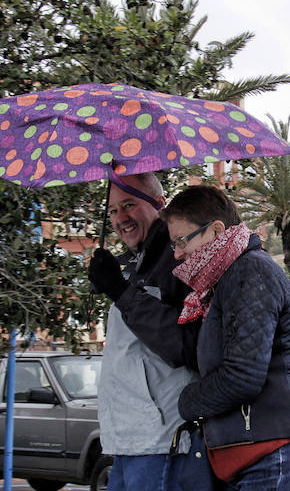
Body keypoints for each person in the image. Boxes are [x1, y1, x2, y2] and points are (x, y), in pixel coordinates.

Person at [159, 184, 290, 490]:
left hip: (275, 458)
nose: (179, 254)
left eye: (182, 241)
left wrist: (185, 400)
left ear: (216, 230)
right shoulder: (224, 282)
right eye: (174, 245)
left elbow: (242, 376)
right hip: (259, 456)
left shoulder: (251, 273)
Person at [87, 173, 199, 491]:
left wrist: (121, 292)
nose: (120, 218)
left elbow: (185, 345)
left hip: (161, 440)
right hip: (128, 439)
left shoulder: (178, 259)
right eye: (112, 211)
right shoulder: (138, 264)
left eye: (129, 205)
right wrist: (117, 285)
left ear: (160, 205)